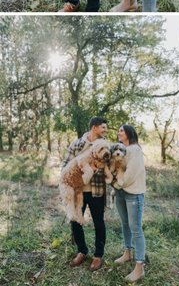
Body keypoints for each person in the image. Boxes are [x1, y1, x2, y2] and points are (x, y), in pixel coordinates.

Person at [62, 116, 110, 271]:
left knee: (99, 222)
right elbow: (65, 165)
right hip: (78, 191)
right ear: (94, 127)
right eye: (103, 127)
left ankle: (98, 255)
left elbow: (109, 166)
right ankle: (82, 251)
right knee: (75, 221)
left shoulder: (105, 146)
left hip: (96, 191)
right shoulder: (77, 144)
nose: (105, 130)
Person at [112, 124, 147, 282]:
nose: (119, 132)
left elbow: (131, 173)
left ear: (129, 133)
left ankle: (139, 267)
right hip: (121, 192)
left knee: (136, 229)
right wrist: (116, 188)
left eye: (122, 130)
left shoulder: (135, 149)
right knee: (125, 224)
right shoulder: (122, 149)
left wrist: (117, 184)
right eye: (118, 130)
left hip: (133, 194)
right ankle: (127, 252)